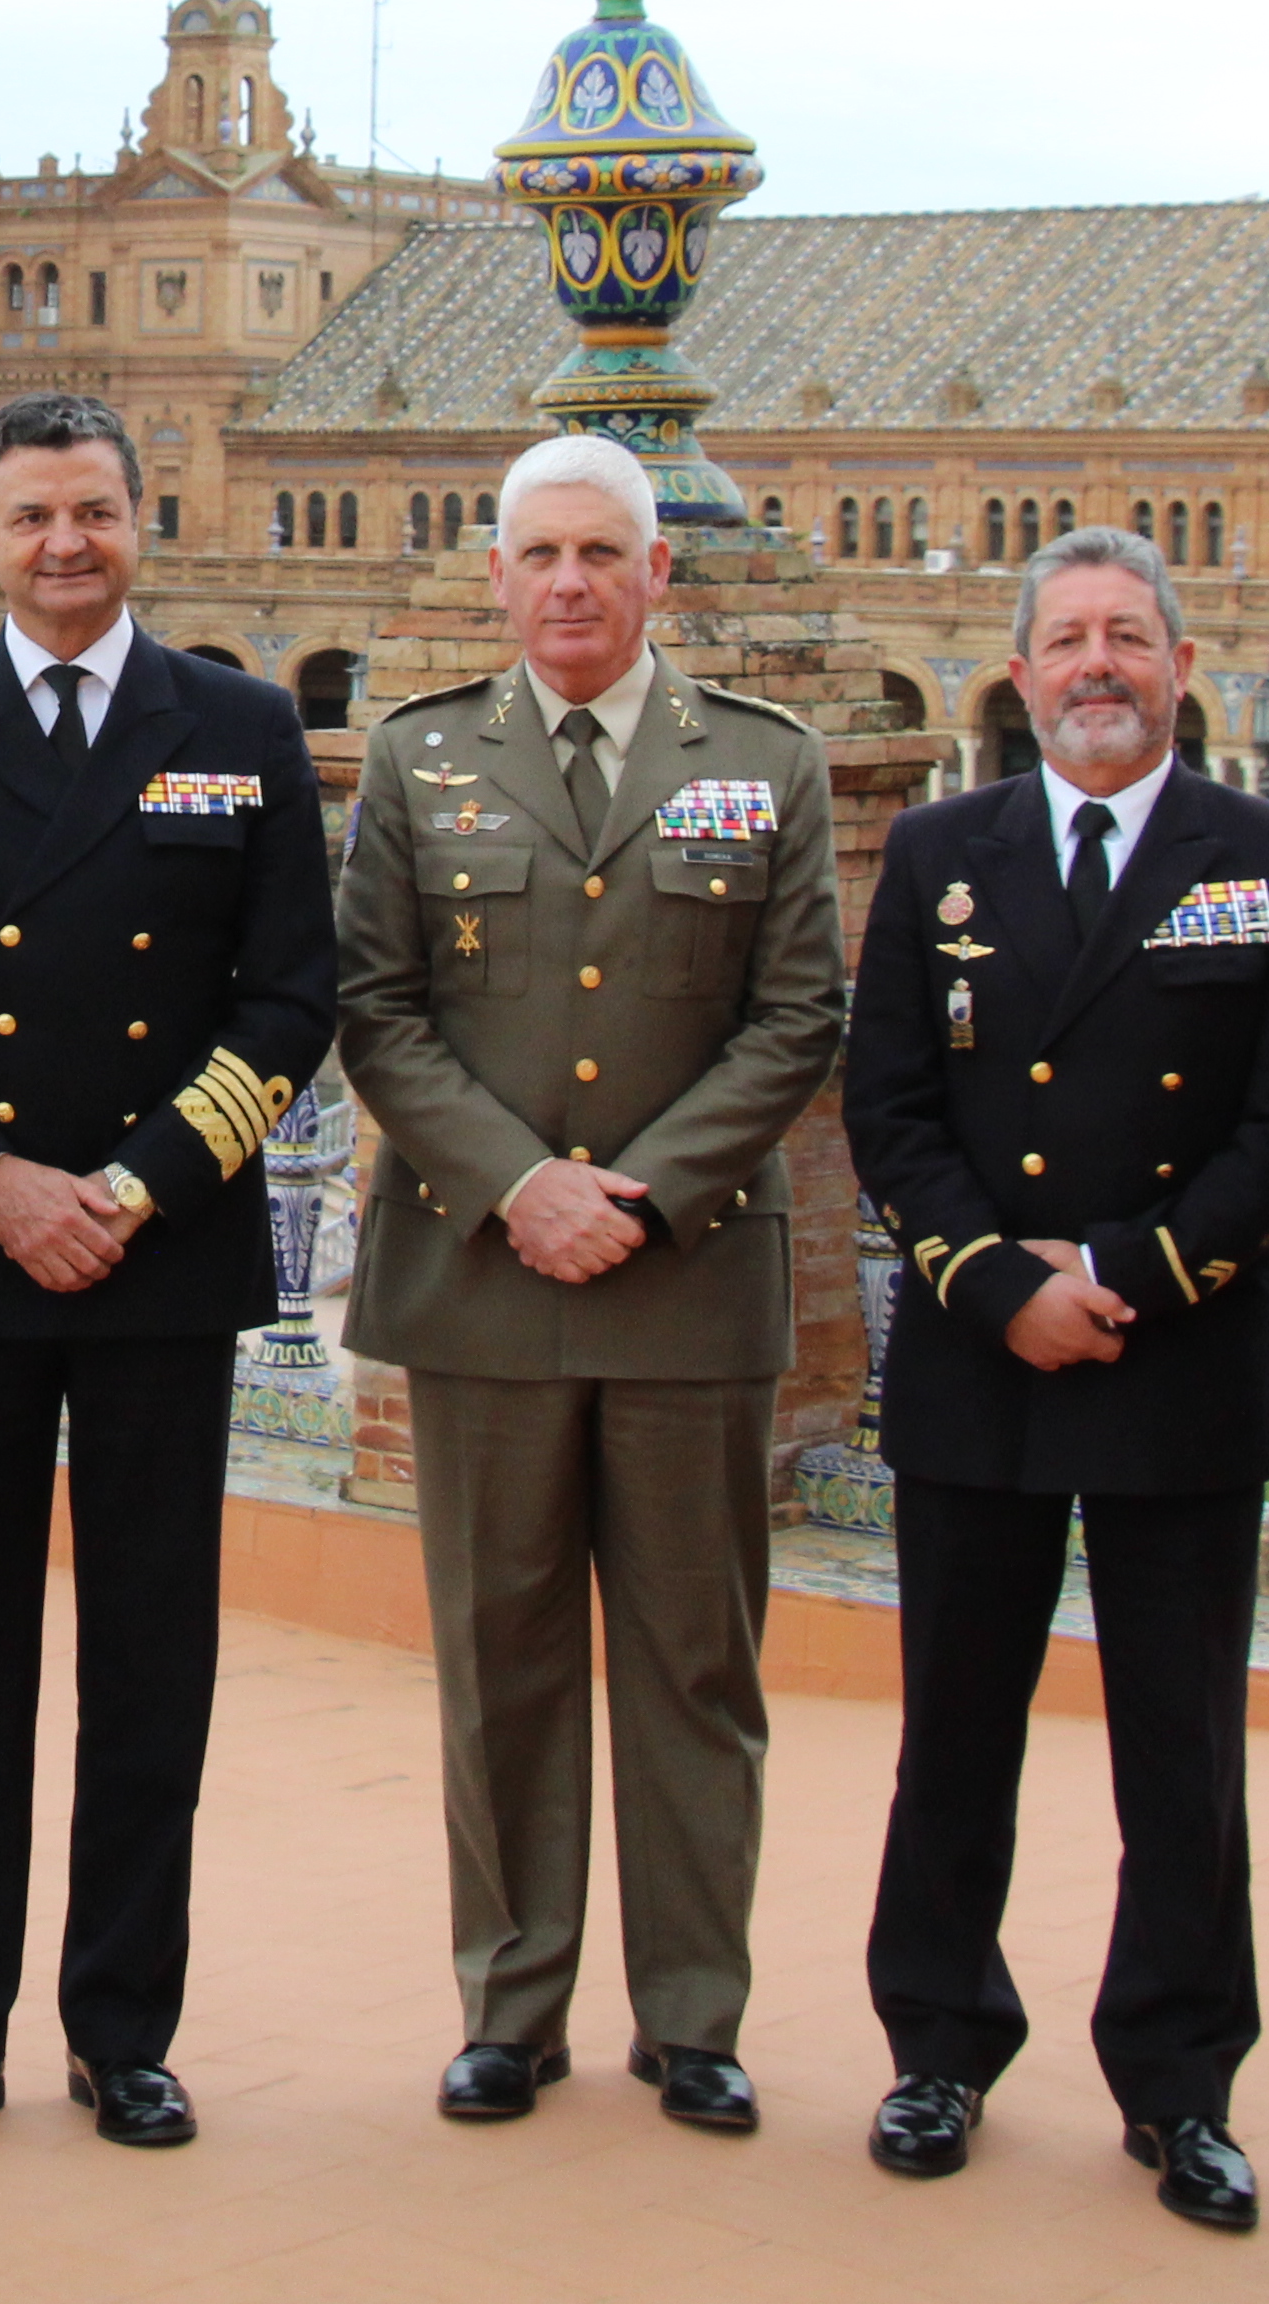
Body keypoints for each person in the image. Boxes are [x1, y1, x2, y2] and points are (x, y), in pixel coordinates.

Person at [0, 388, 337, 2158]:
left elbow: (287, 1006)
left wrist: (129, 1185)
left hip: (158, 1262)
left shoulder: (241, 727)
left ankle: (124, 2026)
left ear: (140, 519)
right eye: (31, 516)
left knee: (149, 1659)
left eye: (94, 512)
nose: (64, 545)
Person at [834, 524, 1269, 2227]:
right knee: (955, 1730)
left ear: (1182, 668)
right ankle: (937, 2047)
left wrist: (1124, 1274)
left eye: (1130, 636)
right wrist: (995, 1284)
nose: (1098, 667)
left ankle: (1183, 2083)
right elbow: (890, 1105)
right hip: (983, 1363)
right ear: (1024, 668)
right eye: (1067, 640)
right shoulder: (940, 851)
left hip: (1175, 1356)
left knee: (1181, 1752)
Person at [333, 434, 845, 2137]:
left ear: (656, 576)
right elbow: (378, 1008)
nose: (569, 583)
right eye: (540, 554)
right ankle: (513, 2002)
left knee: (697, 1664)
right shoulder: (421, 761)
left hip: (686, 1282)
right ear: (497, 576)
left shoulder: (763, 764)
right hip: (483, 1278)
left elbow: (797, 1018)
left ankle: (695, 2015)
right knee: (503, 1657)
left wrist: (641, 1194)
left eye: (601, 555)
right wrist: (518, 1187)